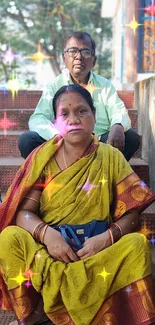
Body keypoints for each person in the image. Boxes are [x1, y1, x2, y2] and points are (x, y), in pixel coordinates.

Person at [0, 84, 154, 325]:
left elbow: (132, 215)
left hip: (97, 251)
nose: (74, 119)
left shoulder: (110, 156)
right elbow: (23, 214)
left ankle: (103, 314)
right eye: (65, 114)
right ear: (55, 122)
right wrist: (49, 236)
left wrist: (105, 239)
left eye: (82, 111)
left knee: (137, 245)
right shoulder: (43, 157)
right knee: (9, 238)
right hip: (52, 253)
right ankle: (37, 315)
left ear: (94, 117)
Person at [18, 31, 139, 161]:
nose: (78, 57)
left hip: (98, 147)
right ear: (64, 58)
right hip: (62, 146)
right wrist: (60, 138)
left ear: (94, 60)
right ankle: (60, 177)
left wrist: (118, 125)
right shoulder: (54, 86)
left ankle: (97, 174)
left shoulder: (105, 85)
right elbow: (38, 118)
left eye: (85, 52)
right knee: (27, 140)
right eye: (73, 51)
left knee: (131, 137)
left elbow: (118, 111)